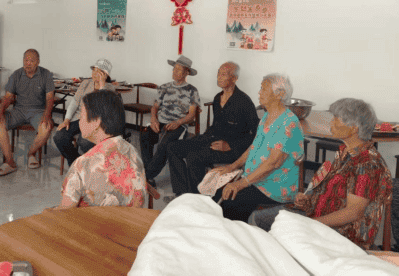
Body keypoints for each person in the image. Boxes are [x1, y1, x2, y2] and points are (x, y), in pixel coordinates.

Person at [250, 98, 392, 249]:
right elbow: (332, 192)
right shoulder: (344, 152)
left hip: (344, 233)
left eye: (336, 118)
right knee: (258, 219)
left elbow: (353, 213)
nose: (331, 122)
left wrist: (310, 223)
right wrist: (308, 199)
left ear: (354, 128)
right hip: (319, 216)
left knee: (271, 230)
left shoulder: (367, 164)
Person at [212, 73, 304, 223]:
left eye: (263, 89)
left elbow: (273, 163)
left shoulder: (289, 123)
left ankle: (236, 233)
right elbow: (253, 147)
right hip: (255, 178)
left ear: (279, 94)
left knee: (230, 202)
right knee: (217, 192)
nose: (259, 92)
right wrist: (232, 166)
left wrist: (241, 183)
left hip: (273, 186)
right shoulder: (267, 117)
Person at [166, 62, 259, 200]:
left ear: (234, 78)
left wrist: (230, 145)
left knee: (194, 157)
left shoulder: (244, 102)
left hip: (231, 150)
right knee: (172, 147)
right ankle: (182, 193)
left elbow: (257, 135)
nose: (219, 77)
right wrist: (201, 138)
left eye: (223, 74)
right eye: (218, 73)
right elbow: (215, 126)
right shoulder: (217, 98)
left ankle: (196, 199)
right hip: (212, 140)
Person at [55, 90, 146, 208]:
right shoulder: (133, 151)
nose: (79, 121)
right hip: (130, 219)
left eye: (81, 116)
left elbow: (64, 211)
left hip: (92, 220)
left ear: (96, 122)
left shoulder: (82, 164)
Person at [140, 55, 200, 188]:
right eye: (174, 69)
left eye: (178, 70)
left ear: (186, 73)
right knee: (145, 134)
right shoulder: (164, 87)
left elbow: (191, 115)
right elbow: (155, 107)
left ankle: (146, 176)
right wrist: (154, 119)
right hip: (160, 122)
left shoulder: (192, 91)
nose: (174, 72)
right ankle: (149, 175)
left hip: (179, 125)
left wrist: (178, 122)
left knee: (165, 144)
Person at [0, 49, 54, 176]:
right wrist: (0, 112)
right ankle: (10, 162)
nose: (28, 63)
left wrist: (47, 115)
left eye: (32, 60)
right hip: (19, 111)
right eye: (26, 60)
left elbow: (50, 98)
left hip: (37, 112)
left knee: (46, 127)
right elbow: (8, 97)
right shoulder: (16, 74)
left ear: (38, 62)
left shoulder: (46, 74)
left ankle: (31, 153)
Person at [53, 58, 117, 167]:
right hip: (79, 118)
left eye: (99, 72)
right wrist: (67, 119)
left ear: (105, 75)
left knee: (84, 142)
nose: (95, 74)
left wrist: (102, 85)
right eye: (94, 70)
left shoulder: (110, 88)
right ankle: (76, 163)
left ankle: (92, 164)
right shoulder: (86, 83)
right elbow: (74, 103)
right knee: (59, 137)